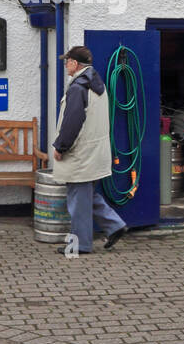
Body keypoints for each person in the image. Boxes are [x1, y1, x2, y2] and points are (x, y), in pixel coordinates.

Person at [49, 45, 127, 255]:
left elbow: (72, 122)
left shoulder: (78, 88)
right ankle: (115, 225)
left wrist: (60, 147)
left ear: (75, 63)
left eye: (67, 61)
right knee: (86, 195)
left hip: (80, 153)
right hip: (94, 151)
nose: (66, 65)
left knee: (78, 201)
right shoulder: (95, 84)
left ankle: (80, 245)